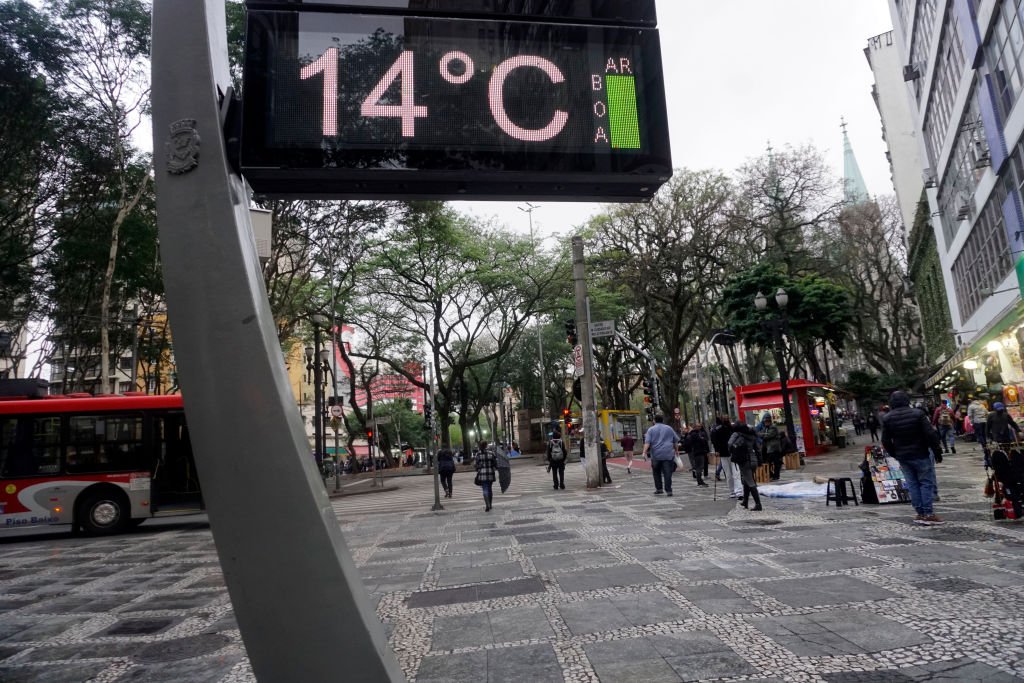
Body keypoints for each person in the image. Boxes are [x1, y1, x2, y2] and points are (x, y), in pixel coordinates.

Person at [881, 390, 944, 525]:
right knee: (926, 483)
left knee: (912, 483)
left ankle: (920, 513)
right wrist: (937, 451)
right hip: (920, 453)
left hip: (903, 456)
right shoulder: (918, 414)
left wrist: (894, 453)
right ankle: (928, 513)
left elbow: (885, 441)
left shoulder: (888, 418)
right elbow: (930, 434)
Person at [641, 414, 680, 496]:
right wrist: (676, 450)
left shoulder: (651, 429)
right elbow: (675, 441)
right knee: (668, 472)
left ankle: (659, 488)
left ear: (654, 420)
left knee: (656, 472)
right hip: (668, 453)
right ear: (663, 420)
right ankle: (669, 490)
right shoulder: (669, 428)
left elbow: (647, 442)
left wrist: (644, 452)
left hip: (656, 454)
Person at [729, 422, 762, 511]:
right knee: (746, 480)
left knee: (750, 481)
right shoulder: (752, 435)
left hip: (744, 460)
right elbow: (758, 449)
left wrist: (733, 452)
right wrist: (760, 461)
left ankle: (758, 504)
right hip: (753, 459)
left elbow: (729, 444)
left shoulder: (737, 434)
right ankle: (745, 501)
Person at [684, 423, 710, 488]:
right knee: (699, 467)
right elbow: (702, 441)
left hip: (698, 452)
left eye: (700, 426)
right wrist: (702, 439)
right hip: (698, 452)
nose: (699, 427)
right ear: (695, 427)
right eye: (698, 426)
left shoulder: (692, 434)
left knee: (699, 467)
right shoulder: (695, 434)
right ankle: (699, 481)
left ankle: (700, 481)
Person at [710, 416, 734, 486]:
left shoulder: (717, 429)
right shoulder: (729, 428)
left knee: (728, 470)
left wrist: (717, 450)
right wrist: (717, 450)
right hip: (728, 451)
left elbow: (714, 440)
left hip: (724, 451)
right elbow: (715, 440)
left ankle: (732, 488)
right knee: (731, 470)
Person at [474, 440, 497, 511]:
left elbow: (476, 465)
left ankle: (487, 504)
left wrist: (479, 467)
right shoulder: (491, 453)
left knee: (485, 489)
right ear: (486, 445)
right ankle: (490, 504)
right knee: (490, 489)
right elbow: (495, 464)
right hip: (490, 473)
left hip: (482, 474)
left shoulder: (478, 454)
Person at [761, 415, 784, 481]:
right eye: (765, 422)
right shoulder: (766, 428)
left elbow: (767, 436)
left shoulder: (773, 427)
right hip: (769, 449)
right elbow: (763, 434)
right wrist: (762, 434)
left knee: (776, 463)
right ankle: (772, 475)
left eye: (766, 422)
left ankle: (776, 476)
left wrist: (761, 435)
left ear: (769, 422)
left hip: (774, 448)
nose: (765, 423)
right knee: (768, 463)